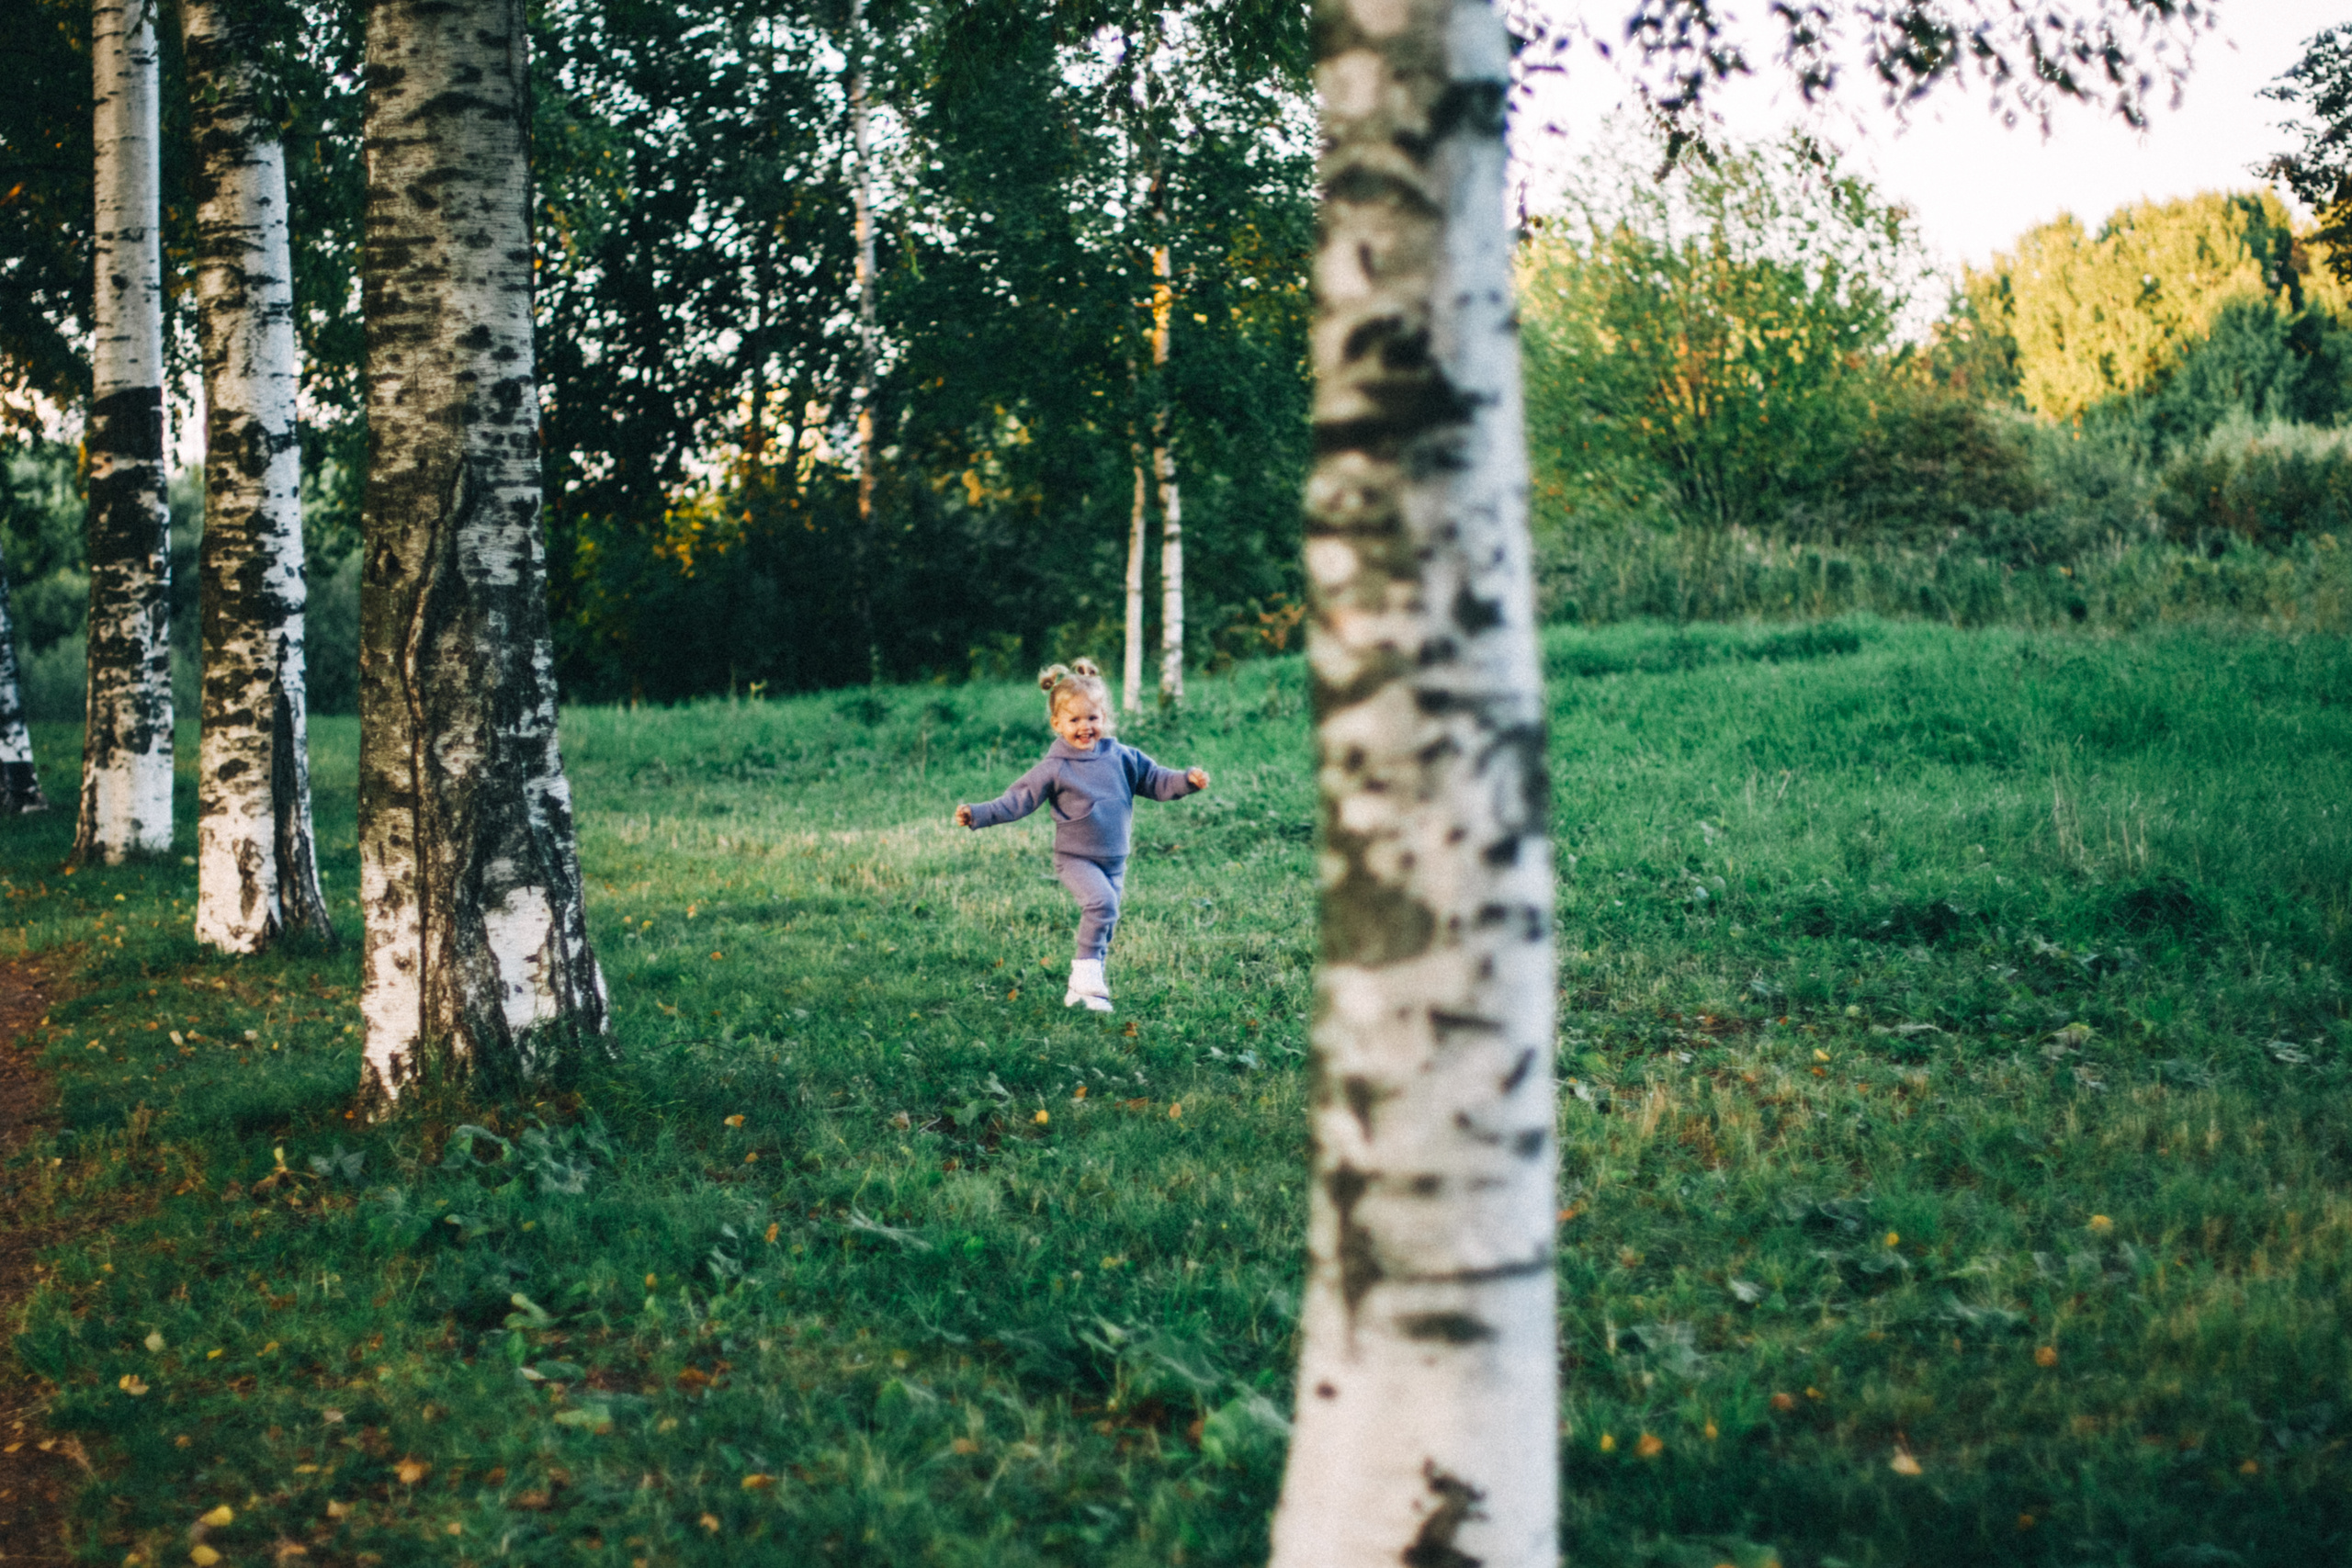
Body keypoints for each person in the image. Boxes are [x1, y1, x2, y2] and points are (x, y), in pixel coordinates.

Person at [955, 659, 1208, 1012]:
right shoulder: (1055, 767)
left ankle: (1084, 992)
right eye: (1074, 720)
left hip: (1115, 858)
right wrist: (978, 813)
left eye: (1092, 718)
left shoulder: (1122, 756)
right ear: (1057, 723)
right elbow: (1018, 800)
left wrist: (1186, 781)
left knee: (1106, 921)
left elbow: (1156, 780)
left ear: (1103, 717)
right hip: (1075, 858)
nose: (1085, 727)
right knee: (1101, 905)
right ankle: (1085, 976)